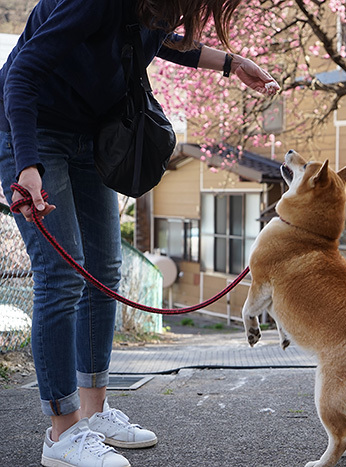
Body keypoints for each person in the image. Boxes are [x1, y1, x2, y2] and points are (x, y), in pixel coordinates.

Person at [0, 0, 280, 466]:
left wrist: (232, 63)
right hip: (32, 131)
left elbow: (162, 41)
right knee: (62, 274)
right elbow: (21, 73)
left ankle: (93, 412)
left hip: (90, 135)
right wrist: (27, 166)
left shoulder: (154, 7)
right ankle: (62, 434)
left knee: (106, 271)